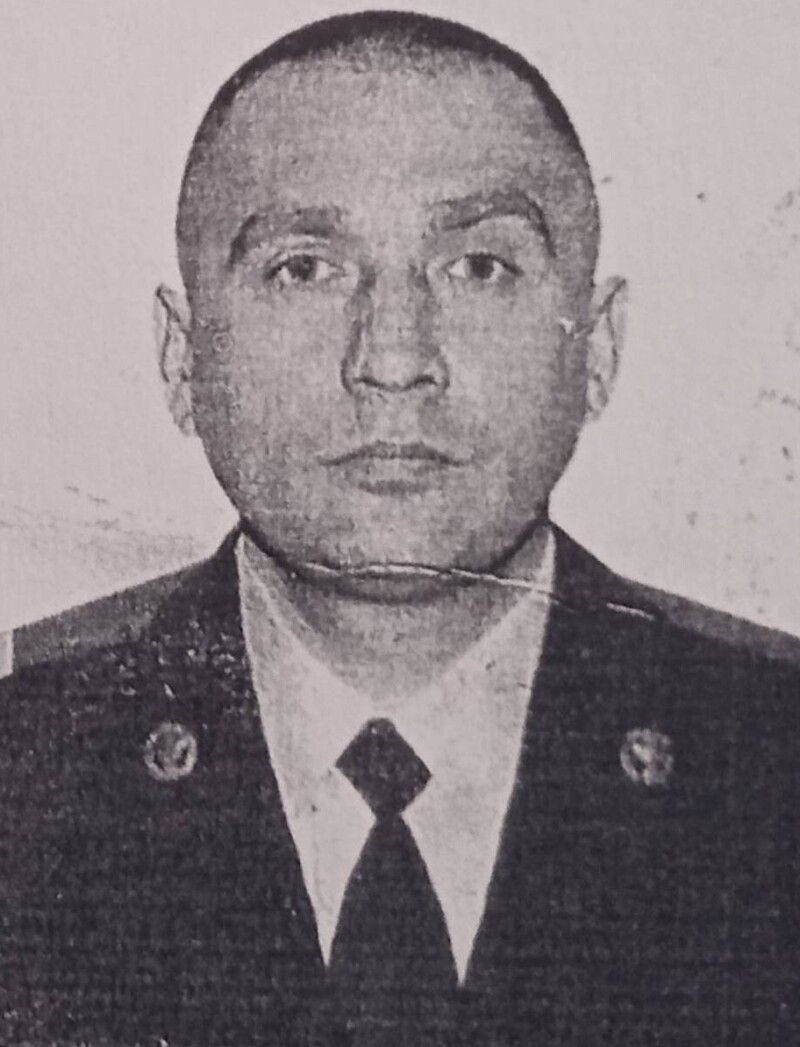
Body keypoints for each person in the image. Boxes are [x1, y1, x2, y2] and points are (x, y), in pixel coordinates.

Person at [2, 10, 799, 1047]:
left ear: (595, 348)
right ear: (181, 357)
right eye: (303, 268)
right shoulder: (27, 762)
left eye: (478, 267)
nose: (390, 358)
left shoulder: (769, 759)